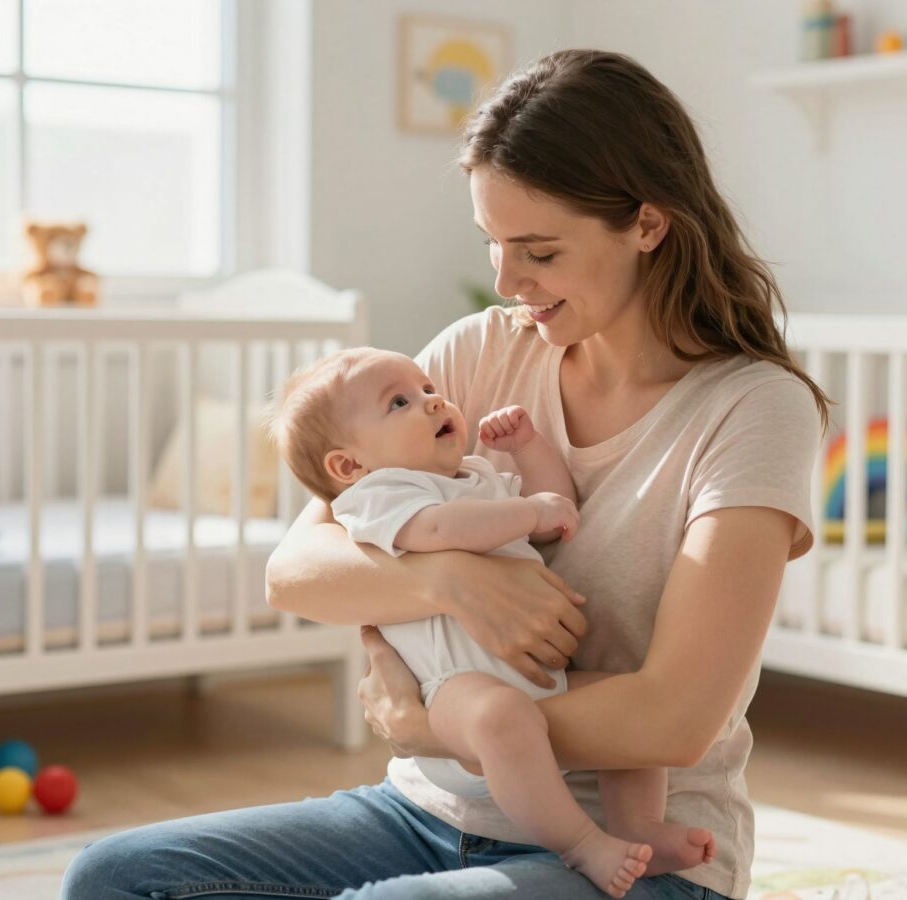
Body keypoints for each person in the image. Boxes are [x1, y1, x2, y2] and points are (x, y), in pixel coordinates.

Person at [60, 48, 829, 900]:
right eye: (493, 245)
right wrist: (454, 582)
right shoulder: (479, 351)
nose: (506, 282)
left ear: (648, 225)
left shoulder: (753, 409)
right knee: (115, 877)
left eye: (538, 250)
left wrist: (431, 726)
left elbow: (675, 719)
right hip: (428, 813)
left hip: (635, 854)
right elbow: (297, 570)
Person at [271, 345, 716, 897]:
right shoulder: (375, 497)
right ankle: (581, 844)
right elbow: (438, 532)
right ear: (349, 465)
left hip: (539, 687)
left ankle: (637, 826)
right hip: (453, 696)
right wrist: (529, 512)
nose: (433, 402)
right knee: (501, 714)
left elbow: (556, 512)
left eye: (429, 388)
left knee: (625, 705)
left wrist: (528, 451)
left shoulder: (475, 475)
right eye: (401, 402)